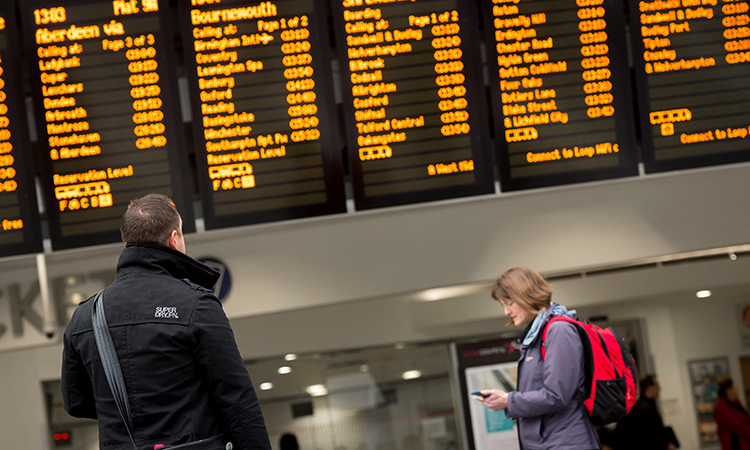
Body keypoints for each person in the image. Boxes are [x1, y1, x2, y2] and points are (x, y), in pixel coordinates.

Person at [61, 193, 271, 450]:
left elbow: (76, 403)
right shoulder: (196, 304)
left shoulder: (85, 316)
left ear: (126, 239)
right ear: (174, 239)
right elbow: (237, 398)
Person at [478, 266, 599, 450]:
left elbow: (557, 396)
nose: (506, 312)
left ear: (525, 296)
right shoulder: (537, 335)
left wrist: (508, 400)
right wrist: (507, 401)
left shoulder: (558, 331)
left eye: (509, 303)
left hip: (566, 443)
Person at [613, 375, 679, 450]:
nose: (659, 388)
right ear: (650, 387)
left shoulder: (645, 405)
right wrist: (665, 445)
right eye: (657, 385)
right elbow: (643, 435)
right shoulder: (643, 407)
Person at [714, 377, 750, 450]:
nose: (737, 390)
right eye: (735, 387)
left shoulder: (735, 404)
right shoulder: (723, 409)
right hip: (735, 445)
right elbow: (738, 426)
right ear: (728, 391)